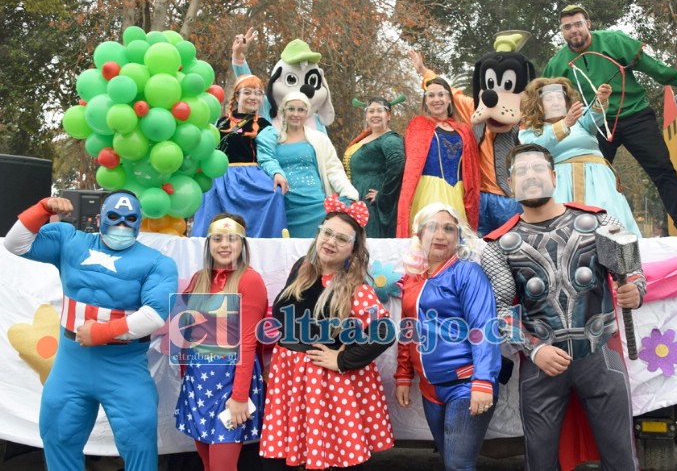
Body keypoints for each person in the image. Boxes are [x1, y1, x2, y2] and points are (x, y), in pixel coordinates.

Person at [480, 144, 646, 470]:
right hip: (541, 365)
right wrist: (534, 348)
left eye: (537, 169)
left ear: (554, 176)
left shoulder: (598, 221)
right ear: (510, 184)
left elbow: (632, 272)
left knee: (622, 458)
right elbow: (500, 311)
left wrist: (635, 291)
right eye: (521, 172)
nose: (530, 177)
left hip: (600, 357)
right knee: (539, 462)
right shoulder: (498, 245)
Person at [3, 191, 178, 471]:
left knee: (138, 442)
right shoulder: (70, 241)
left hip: (123, 367)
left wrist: (101, 332)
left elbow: (155, 315)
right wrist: (41, 208)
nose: (121, 225)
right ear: (100, 218)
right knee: (57, 436)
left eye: (130, 219)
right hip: (71, 365)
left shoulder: (157, 262)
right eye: (114, 217)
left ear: (139, 223)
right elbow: (15, 244)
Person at [259, 195, 394, 470]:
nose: (331, 242)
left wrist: (342, 360)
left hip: (325, 382)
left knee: (330, 459)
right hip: (291, 375)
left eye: (342, 239)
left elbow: (384, 330)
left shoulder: (354, 286)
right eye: (328, 233)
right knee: (287, 458)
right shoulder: (301, 269)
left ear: (353, 250)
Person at [543, 4, 677, 235]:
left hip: (634, 114)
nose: (574, 30)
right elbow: (545, 99)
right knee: (594, 177)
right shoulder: (557, 64)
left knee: (662, 168)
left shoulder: (613, 41)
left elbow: (650, 66)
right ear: (562, 31)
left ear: (588, 24)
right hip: (595, 125)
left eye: (578, 24)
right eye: (567, 26)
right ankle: (591, 232)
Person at [394, 203, 500, 471]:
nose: (440, 235)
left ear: (458, 237)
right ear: (419, 235)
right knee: (448, 461)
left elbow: (484, 328)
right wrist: (404, 375)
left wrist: (484, 382)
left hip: (465, 383)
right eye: (432, 227)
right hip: (430, 390)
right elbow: (409, 329)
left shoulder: (467, 272)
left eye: (448, 229)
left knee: (458, 465)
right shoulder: (412, 279)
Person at [174, 213, 267, 471]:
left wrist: (238, 397)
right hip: (199, 382)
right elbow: (186, 334)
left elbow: (247, 344)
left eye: (232, 239)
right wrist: (186, 378)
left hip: (230, 383)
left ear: (242, 244)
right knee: (207, 463)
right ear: (209, 243)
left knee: (222, 467)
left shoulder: (250, 280)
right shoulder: (198, 279)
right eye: (217, 239)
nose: (224, 245)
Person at [407, 50, 527, 236]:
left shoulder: (521, 113)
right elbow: (448, 93)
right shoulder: (474, 109)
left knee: (512, 241)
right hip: (479, 196)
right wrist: (424, 71)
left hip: (510, 197)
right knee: (477, 246)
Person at [520, 77, 641, 236]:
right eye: (549, 98)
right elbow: (536, 150)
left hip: (599, 180)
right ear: (538, 103)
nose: (556, 102)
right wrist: (565, 125)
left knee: (609, 219)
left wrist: (600, 100)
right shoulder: (531, 130)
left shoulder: (579, 118)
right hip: (562, 184)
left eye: (559, 97)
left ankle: (620, 257)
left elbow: (593, 118)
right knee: (568, 229)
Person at [191, 73, 287, 238]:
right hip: (220, 179)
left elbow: (267, 156)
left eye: (258, 93)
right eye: (248, 92)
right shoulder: (219, 123)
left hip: (250, 180)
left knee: (274, 195)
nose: (253, 97)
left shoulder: (265, 125)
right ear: (237, 96)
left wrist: (277, 173)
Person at [257, 92, 359, 238]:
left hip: (315, 205)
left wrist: (349, 193)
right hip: (285, 204)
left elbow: (334, 170)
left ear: (307, 113)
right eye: (291, 109)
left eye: (301, 110)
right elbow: (265, 158)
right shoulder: (273, 137)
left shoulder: (319, 139)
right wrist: (276, 173)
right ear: (283, 112)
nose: (296, 114)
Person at [397, 76, 480, 237]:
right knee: (428, 237)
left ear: (449, 98)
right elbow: (411, 166)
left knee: (453, 239)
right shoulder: (418, 125)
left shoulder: (464, 130)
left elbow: (472, 169)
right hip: (427, 191)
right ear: (426, 101)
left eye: (441, 94)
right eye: (431, 95)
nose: (437, 99)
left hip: (457, 192)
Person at [344, 96, 406, 237]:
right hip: (358, 204)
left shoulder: (390, 139)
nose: (375, 115)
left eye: (380, 111)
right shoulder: (364, 138)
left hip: (374, 208)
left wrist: (383, 195)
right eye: (371, 111)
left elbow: (398, 164)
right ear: (366, 116)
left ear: (388, 115)